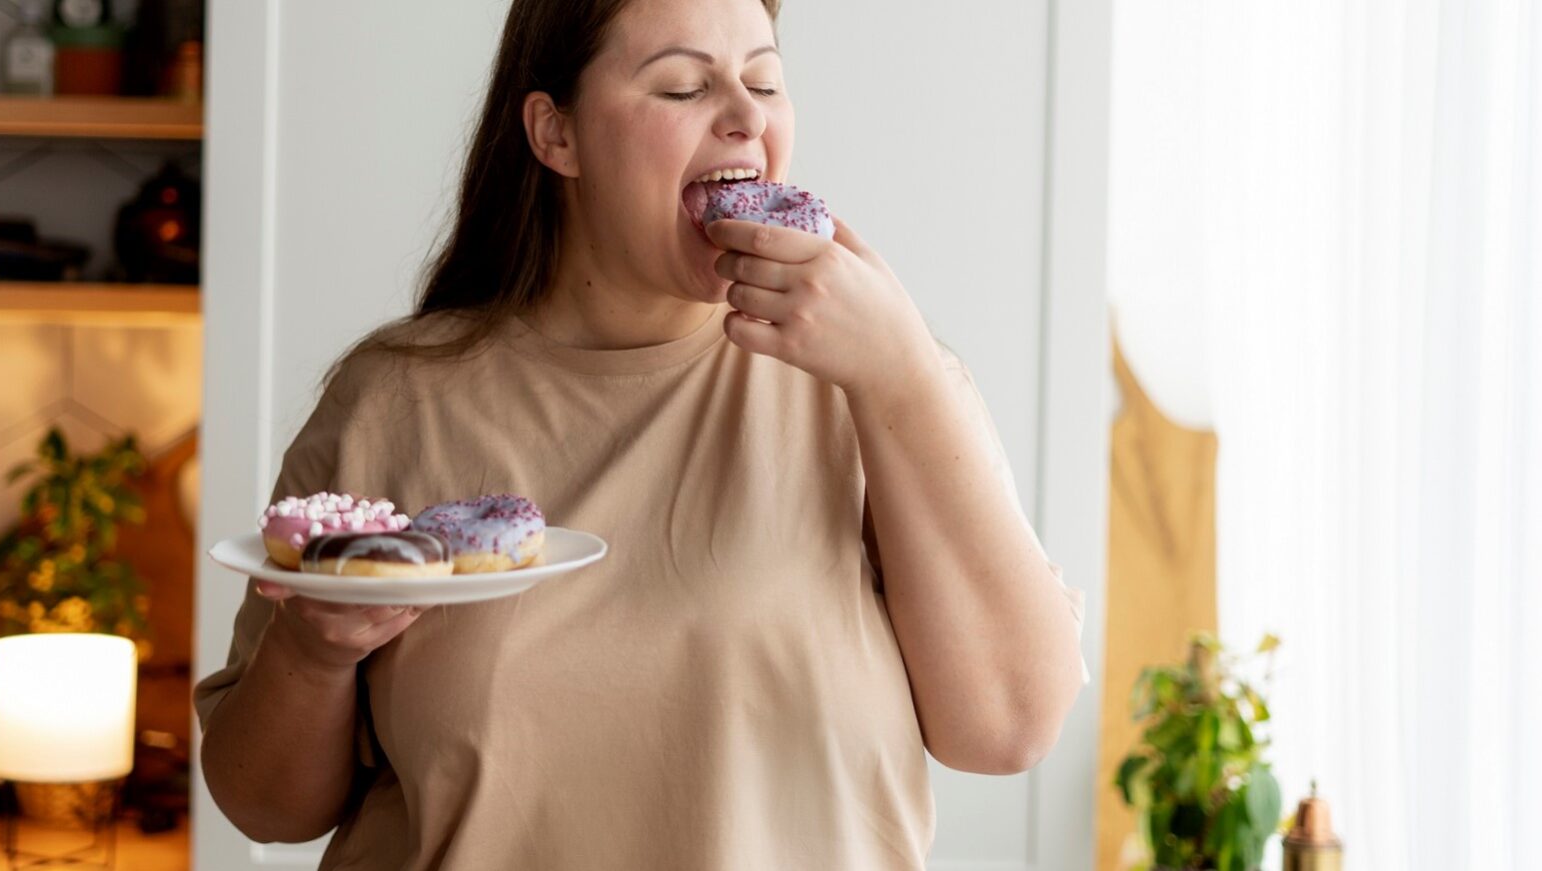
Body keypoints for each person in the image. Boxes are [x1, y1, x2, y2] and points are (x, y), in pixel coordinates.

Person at [196, 0, 1087, 867]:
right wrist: (314, 652)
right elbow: (266, 805)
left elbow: (1008, 728)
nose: (745, 118)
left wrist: (905, 377)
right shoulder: (394, 400)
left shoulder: (876, 384)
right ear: (556, 134)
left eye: (765, 82)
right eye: (681, 87)